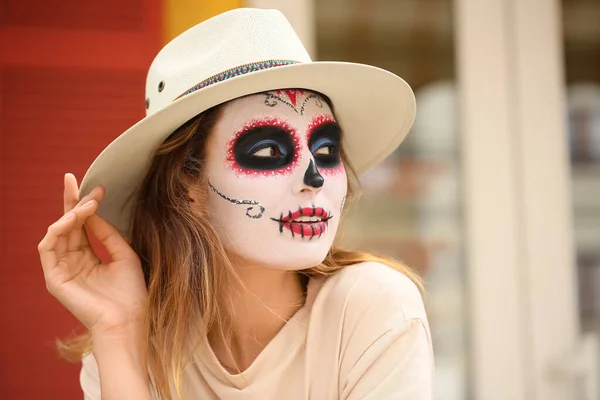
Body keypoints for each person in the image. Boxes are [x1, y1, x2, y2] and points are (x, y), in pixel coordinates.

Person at [38, 8, 433, 400]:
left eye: (326, 149)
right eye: (266, 152)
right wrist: (118, 333)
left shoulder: (373, 306)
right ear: (187, 187)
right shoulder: (128, 339)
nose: (314, 178)